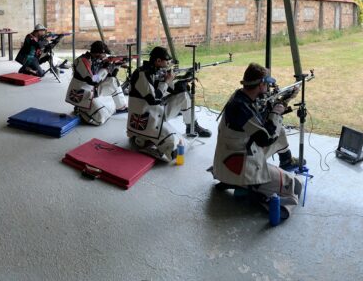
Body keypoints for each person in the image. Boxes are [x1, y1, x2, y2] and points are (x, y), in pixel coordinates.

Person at [211, 63, 302, 220]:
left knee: (277, 129)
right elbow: (264, 139)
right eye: (267, 84)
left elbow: (260, 119)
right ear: (261, 85)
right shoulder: (241, 108)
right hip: (239, 165)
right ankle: (252, 189)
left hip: (230, 156)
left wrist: (280, 102)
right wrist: (276, 112)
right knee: (294, 184)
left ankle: (285, 159)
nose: (269, 87)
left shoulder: (240, 96)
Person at [126, 46, 210, 162]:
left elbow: (171, 89)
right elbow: (153, 98)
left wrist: (185, 78)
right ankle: (143, 141)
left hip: (156, 112)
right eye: (167, 62)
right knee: (174, 150)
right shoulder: (142, 74)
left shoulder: (155, 71)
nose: (168, 64)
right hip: (145, 118)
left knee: (183, 96)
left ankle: (192, 125)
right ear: (158, 61)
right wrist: (166, 81)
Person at [66, 41, 128, 126]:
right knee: (100, 118)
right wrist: (106, 68)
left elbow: (110, 76)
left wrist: (116, 67)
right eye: (104, 54)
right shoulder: (82, 61)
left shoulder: (98, 59)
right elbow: (93, 80)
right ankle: (79, 109)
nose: (105, 56)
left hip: (93, 89)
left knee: (112, 81)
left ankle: (121, 107)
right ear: (99, 53)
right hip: (81, 92)